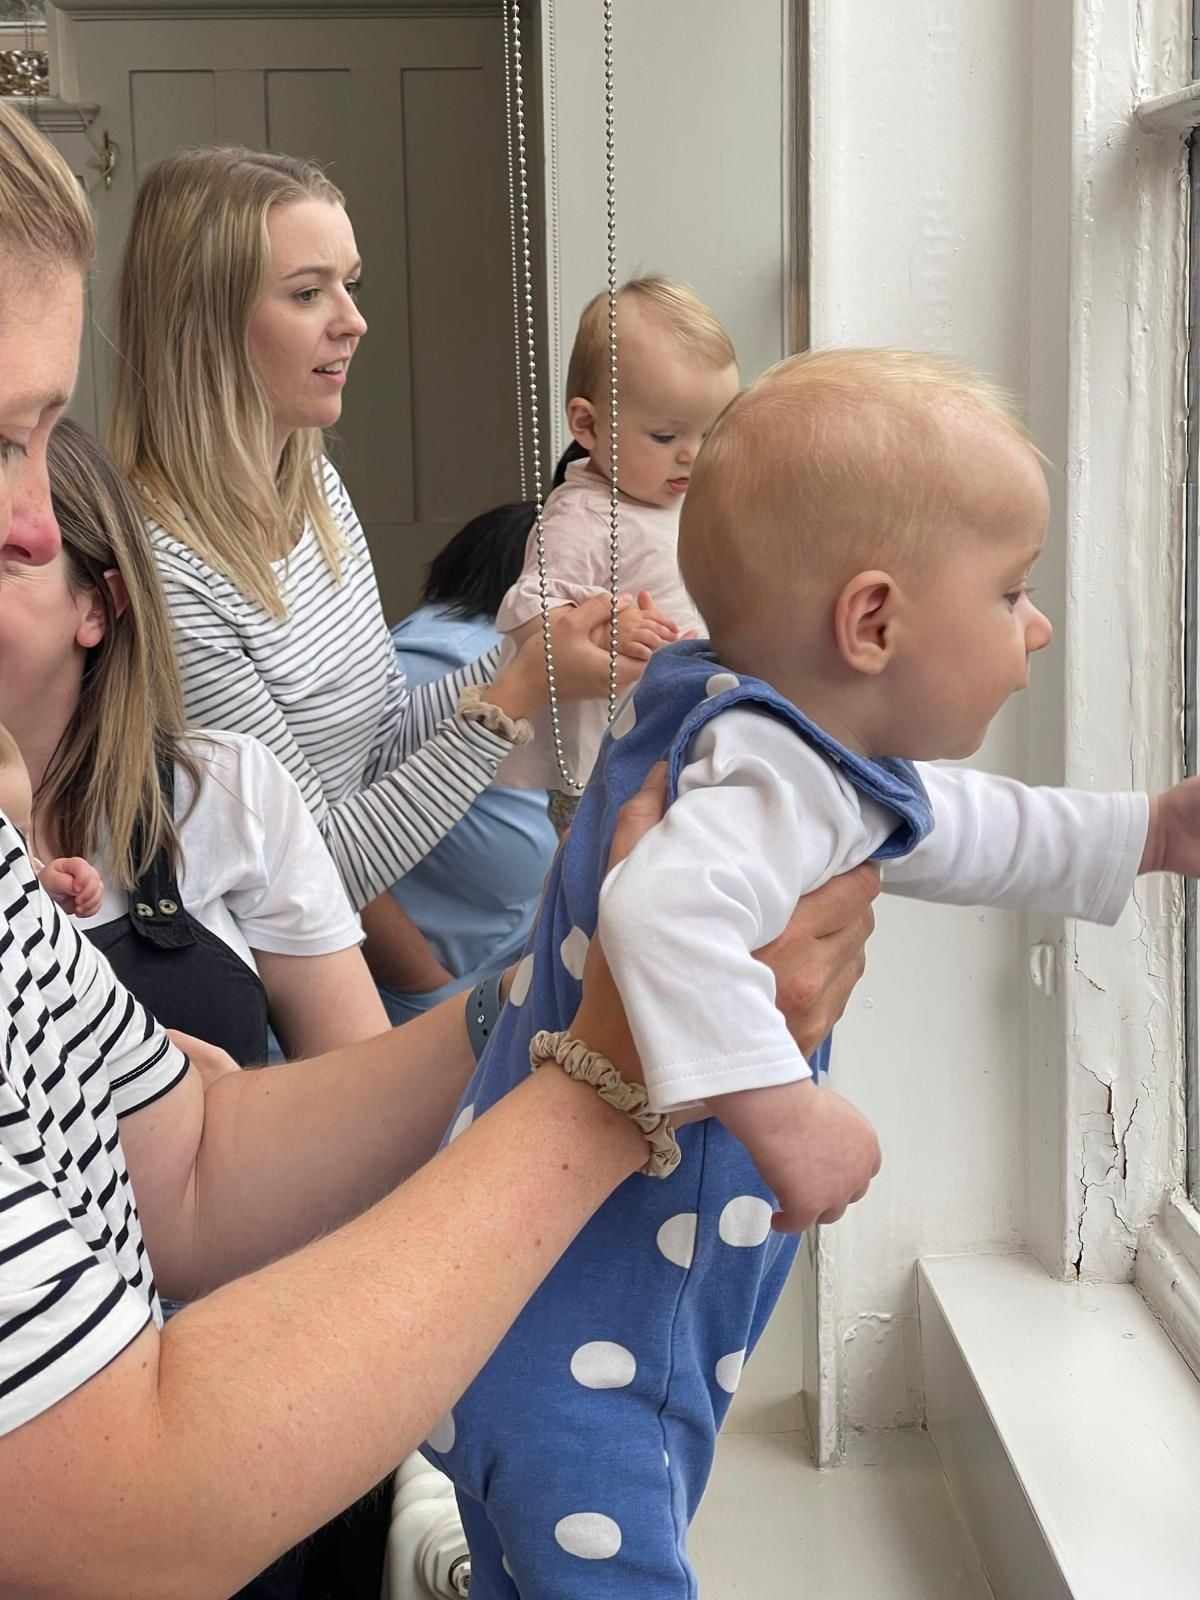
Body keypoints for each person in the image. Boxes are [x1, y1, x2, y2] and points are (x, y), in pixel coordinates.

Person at [0, 103, 885, 1596]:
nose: (38, 523)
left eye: (41, 433)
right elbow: (120, 1510)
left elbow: (190, 1165)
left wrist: (561, 972)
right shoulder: (170, 567)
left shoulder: (322, 504)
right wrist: (617, 1063)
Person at [423, 349, 1200, 1599]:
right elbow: (659, 909)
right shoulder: (776, 777)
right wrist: (788, 1115)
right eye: (1012, 592)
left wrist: (1144, 833)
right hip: (592, 1363)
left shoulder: (735, 717)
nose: (1037, 626)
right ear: (875, 621)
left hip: (496, 1314)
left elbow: (948, 822)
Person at [110, 146, 655, 1005]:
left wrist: (539, 654)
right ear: (202, 322)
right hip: (273, 1011)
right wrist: (513, 691)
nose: (352, 320)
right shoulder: (168, 571)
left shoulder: (312, 485)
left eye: (350, 285)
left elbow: (379, 738)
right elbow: (313, 870)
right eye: (306, 292)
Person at [2, 416, 390, 1066]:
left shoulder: (226, 791)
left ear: (98, 606)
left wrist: (225, 1112)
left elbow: (367, 1091)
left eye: (5, 561)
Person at [495, 276, 740, 832]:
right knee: (606, 894)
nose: (692, 458)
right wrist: (607, 630)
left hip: (678, 745)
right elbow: (531, 620)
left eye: (712, 433)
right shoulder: (582, 517)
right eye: (664, 437)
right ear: (587, 425)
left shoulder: (673, 498)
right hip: (605, 774)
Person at [382, 502, 558, 1022]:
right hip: (431, 985)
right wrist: (424, 983)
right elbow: (325, 845)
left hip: (494, 963)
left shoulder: (497, 653)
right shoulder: (440, 660)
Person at [0, 721, 102, 915]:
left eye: (22, 836)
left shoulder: (26, 872)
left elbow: (29, 903)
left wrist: (51, 889)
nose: (15, 856)